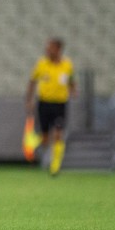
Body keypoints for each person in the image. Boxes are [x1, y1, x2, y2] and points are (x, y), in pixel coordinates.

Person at [25, 37, 77, 175]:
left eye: (50, 47)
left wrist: (73, 90)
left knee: (59, 134)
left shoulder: (67, 65)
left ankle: (55, 165)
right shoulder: (42, 64)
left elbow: (71, 79)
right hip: (44, 103)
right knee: (45, 138)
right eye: (47, 48)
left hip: (60, 104)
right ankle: (34, 141)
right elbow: (32, 81)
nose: (47, 50)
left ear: (58, 49)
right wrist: (29, 100)